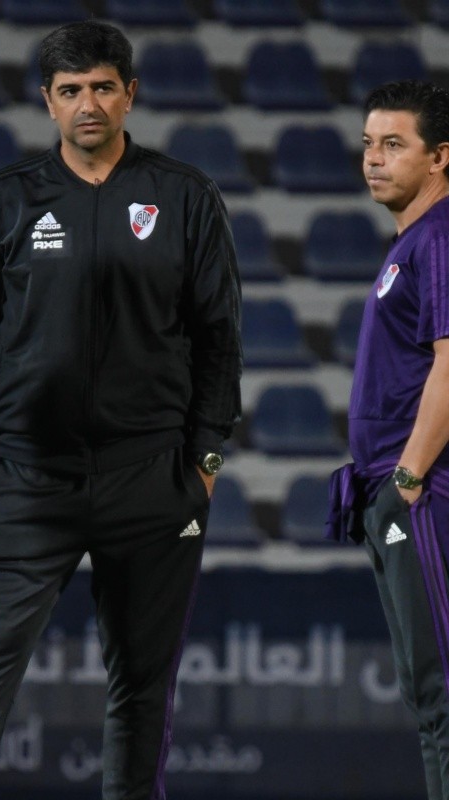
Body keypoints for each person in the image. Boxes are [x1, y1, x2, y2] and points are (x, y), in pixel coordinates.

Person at [0, 20, 242, 800]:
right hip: (27, 483)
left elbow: (219, 341)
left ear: (130, 95)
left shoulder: (186, 197)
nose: (88, 104)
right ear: (48, 102)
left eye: (103, 87)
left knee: (141, 683)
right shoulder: (6, 202)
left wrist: (200, 466)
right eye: (71, 91)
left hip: (151, 483)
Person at [327, 80, 449, 799]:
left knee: (440, 692)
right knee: (428, 692)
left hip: (424, 491)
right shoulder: (416, 241)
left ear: (440, 156)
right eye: (369, 144)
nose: (373, 159)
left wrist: (405, 484)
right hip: (406, 492)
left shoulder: (439, 238)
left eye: (394, 144)